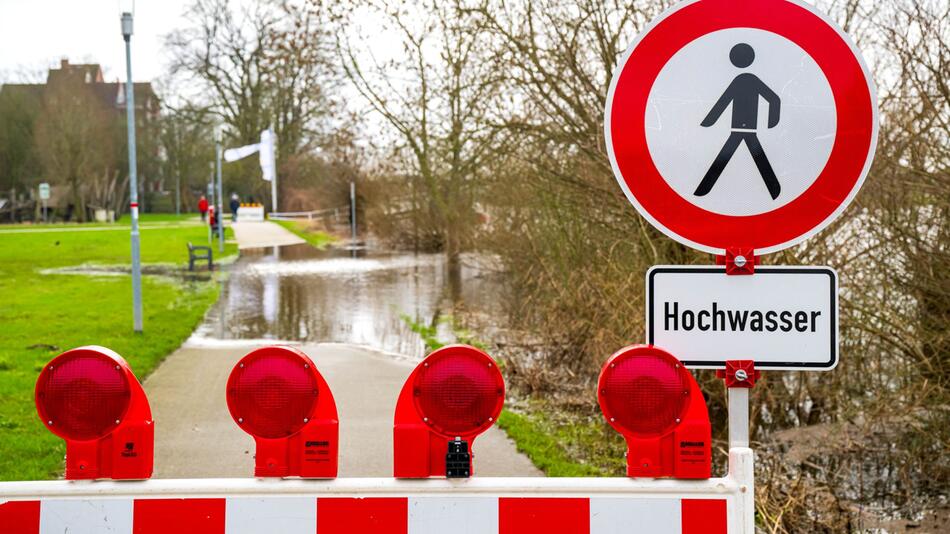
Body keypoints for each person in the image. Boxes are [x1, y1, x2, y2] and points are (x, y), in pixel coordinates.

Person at [695, 43, 782, 200]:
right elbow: (774, 100)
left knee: (730, 157)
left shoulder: (743, 80)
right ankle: (775, 191)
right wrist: (771, 121)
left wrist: (709, 121)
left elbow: (724, 102)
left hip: (743, 128)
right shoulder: (749, 80)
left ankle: (703, 189)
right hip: (744, 129)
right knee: (753, 157)